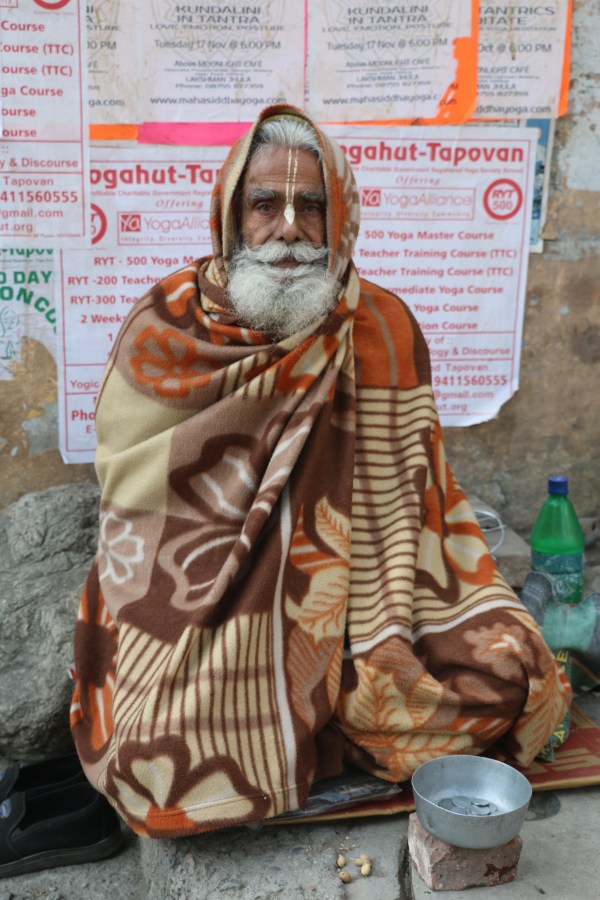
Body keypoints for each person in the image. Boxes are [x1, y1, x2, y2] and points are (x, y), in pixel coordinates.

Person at [69, 104, 570, 839]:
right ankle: (311, 728)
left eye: (313, 207)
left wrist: (356, 610)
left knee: (504, 672)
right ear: (231, 215)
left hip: (374, 598)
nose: (290, 230)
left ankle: (322, 718)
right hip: (207, 600)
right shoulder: (167, 328)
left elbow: (420, 504)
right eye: (265, 205)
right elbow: (135, 506)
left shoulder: (386, 329)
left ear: (342, 217)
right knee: (156, 755)